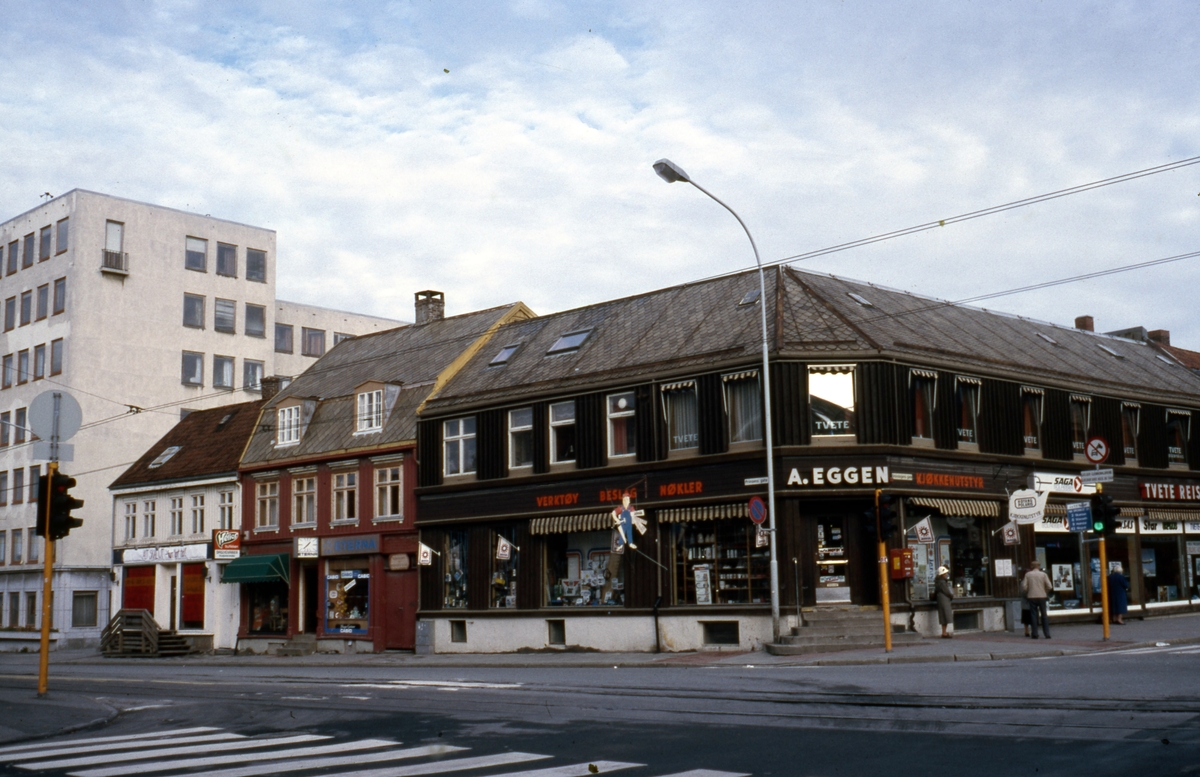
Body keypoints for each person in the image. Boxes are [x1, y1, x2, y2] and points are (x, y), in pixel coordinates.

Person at [1022, 561, 1053, 639]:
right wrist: (1044, 591)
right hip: (1042, 596)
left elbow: (1024, 586)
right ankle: (1047, 634)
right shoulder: (1043, 575)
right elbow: (1049, 586)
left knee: (1033, 615)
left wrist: (1028, 591)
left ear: (1032, 567)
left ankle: (1035, 633)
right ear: (1038, 566)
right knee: (1044, 615)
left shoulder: (1028, 575)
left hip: (1031, 596)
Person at [935, 565, 954, 638]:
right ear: (942, 574)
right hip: (944, 600)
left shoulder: (939, 581)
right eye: (945, 573)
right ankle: (944, 632)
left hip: (942, 599)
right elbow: (946, 591)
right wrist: (951, 595)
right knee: (945, 615)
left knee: (944, 616)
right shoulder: (942, 582)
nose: (946, 574)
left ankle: (944, 632)